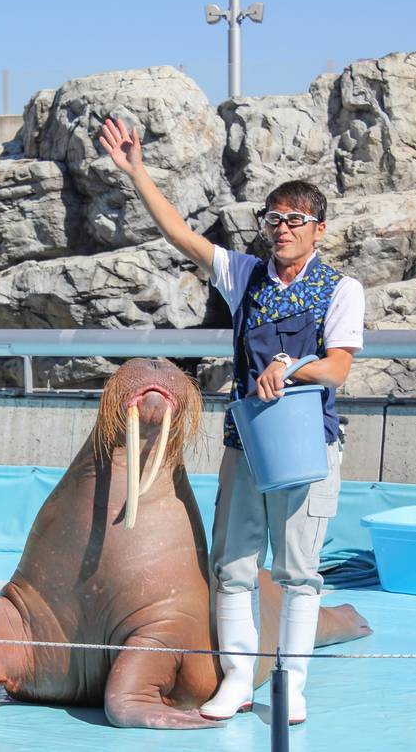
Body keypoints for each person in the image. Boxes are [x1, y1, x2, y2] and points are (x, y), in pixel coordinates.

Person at [99, 117, 365, 725]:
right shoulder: (246, 275)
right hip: (247, 444)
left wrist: (292, 368)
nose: (282, 229)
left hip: (307, 444)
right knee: (234, 565)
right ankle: (239, 676)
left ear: (319, 230)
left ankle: (290, 684)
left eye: (295, 219)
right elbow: (181, 236)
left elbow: (340, 368)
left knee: (298, 570)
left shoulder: (340, 288)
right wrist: (136, 170)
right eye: (274, 219)